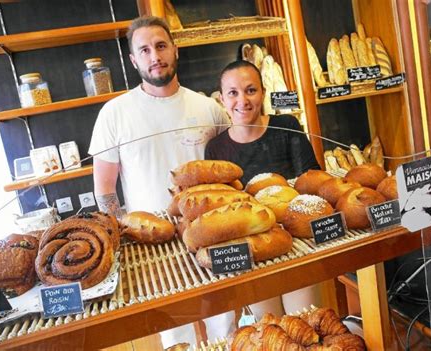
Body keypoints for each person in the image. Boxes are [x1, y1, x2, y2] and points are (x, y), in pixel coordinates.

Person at [88, 16, 233, 349]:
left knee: (224, 323)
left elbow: (231, 157)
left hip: (210, 230)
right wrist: (117, 235)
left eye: (161, 45)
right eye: (145, 49)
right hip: (153, 243)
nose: (155, 56)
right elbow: (105, 188)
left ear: (175, 49)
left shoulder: (207, 106)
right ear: (133, 59)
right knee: (175, 331)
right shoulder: (115, 112)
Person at [205, 60, 322, 318]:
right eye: (233, 93)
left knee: (306, 321)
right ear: (222, 99)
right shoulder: (216, 150)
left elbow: (312, 182)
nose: (242, 100)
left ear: (263, 93)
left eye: (250, 90)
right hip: (255, 252)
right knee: (271, 329)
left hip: (298, 246)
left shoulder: (287, 127)